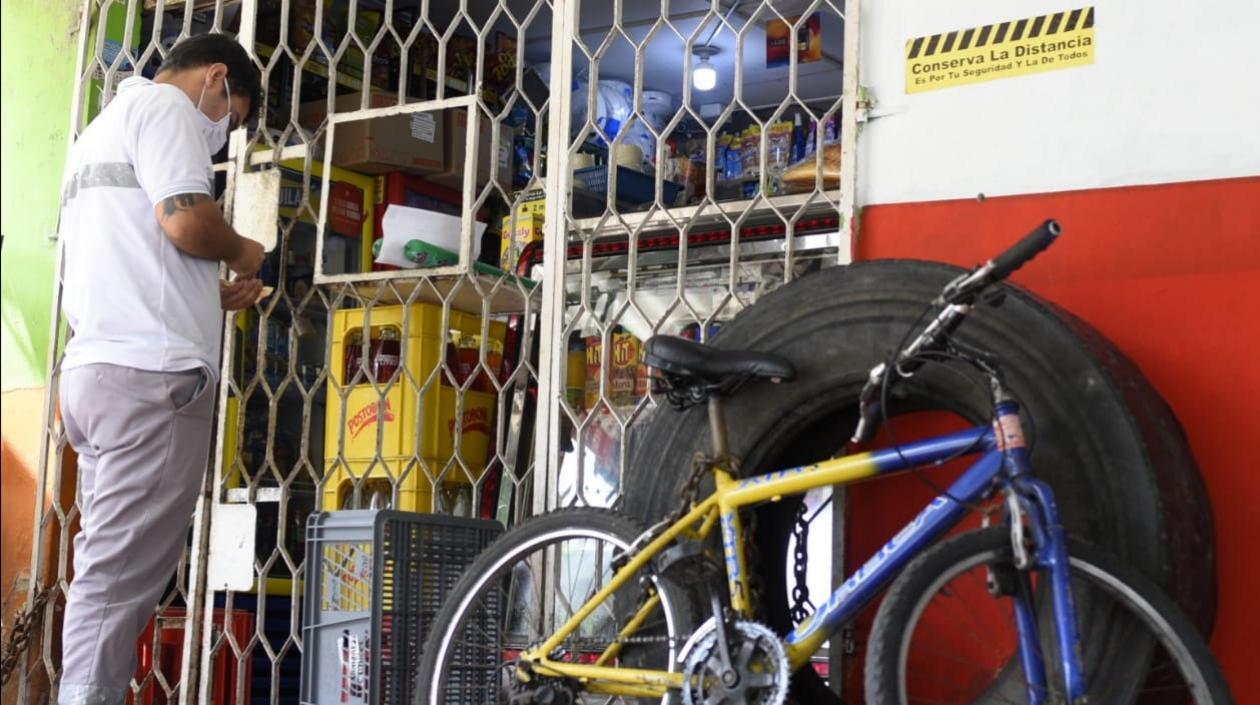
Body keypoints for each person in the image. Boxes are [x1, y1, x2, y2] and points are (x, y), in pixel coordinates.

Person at [55, 33, 264, 705]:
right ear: (216, 78)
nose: (220, 133)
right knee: (117, 580)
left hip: (97, 374)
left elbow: (133, 251)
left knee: (105, 568)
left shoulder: (100, 130)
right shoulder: (170, 110)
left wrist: (206, 291)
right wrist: (245, 251)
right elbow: (184, 220)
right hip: (151, 379)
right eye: (230, 116)